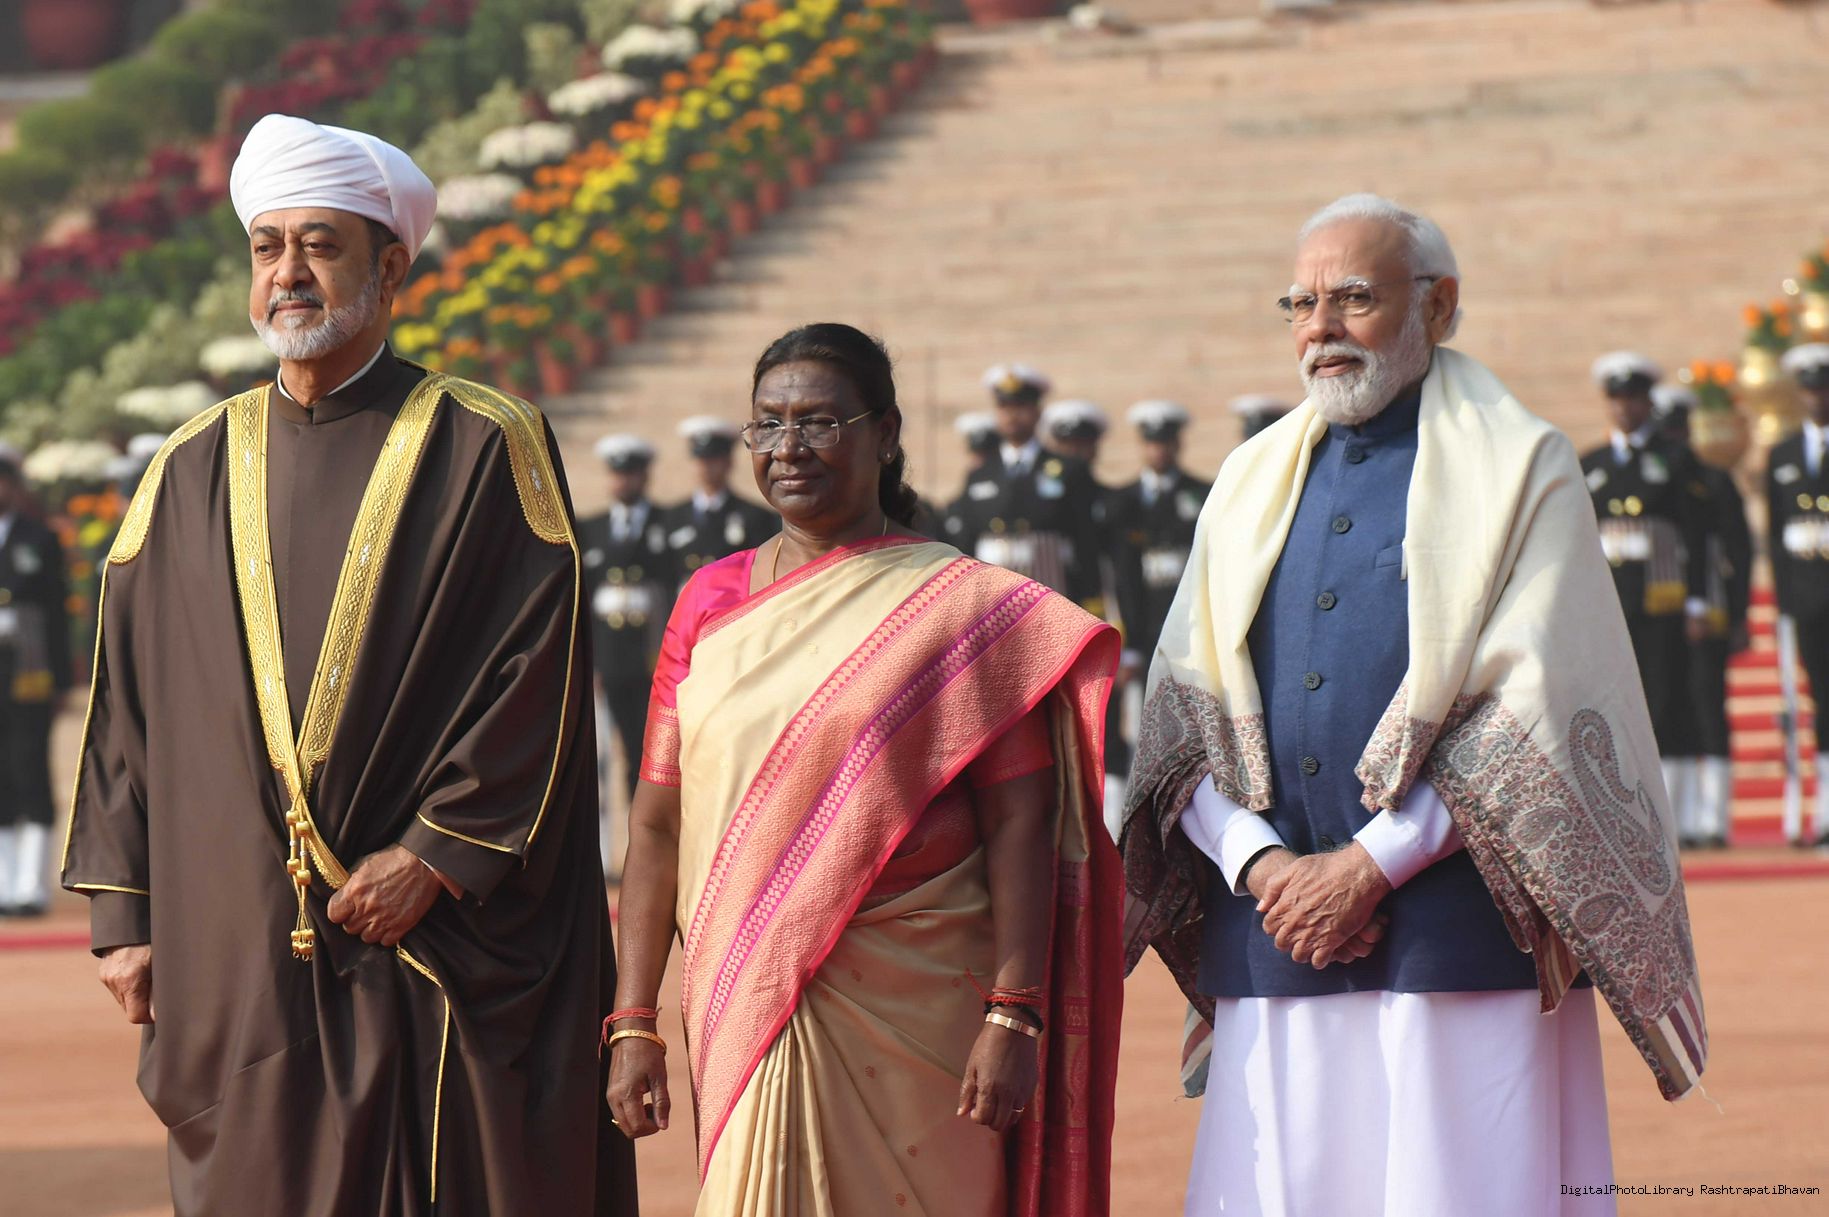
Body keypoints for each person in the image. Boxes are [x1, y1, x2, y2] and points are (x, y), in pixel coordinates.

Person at [60, 114, 636, 1216]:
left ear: (390, 267)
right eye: (266, 246)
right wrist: (124, 910)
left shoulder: (481, 441)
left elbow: (537, 673)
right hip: (234, 934)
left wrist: (435, 855)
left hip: (425, 932)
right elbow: (127, 701)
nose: (288, 272)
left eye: (319, 245)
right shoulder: (188, 468)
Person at [1120, 194, 1706, 1217]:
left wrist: (1366, 867)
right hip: (1277, 929)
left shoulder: (1521, 466)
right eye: (1299, 303)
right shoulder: (1247, 479)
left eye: (1353, 297)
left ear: (1436, 305)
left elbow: (1533, 708)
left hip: (1456, 931)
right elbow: (1185, 712)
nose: (1320, 328)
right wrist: (1262, 866)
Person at [607, 323, 1124, 1217]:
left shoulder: (958, 606)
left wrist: (1014, 1010)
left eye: (818, 421)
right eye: (767, 424)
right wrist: (633, 1020)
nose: (788, 447)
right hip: (749, 993)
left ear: (884, 433)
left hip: (927, 1005)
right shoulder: (708, 601)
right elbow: (656, 822)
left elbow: (1020, 821)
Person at [1581, 352, 1713, 845]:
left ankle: (1672, 813)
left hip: (1662, 599)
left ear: (1646, 404)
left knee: (1665, 698)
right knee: (1611, 706)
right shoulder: (1591, 464)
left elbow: (1696, 535)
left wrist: (1698, 601)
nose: (1624, 409)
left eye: (1633, 399)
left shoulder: (1674, 460)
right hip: (1609, 602)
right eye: (1616, 400)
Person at [1653, 384, 1751, 847]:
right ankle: (1678, 817)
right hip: (1660, 613)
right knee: (1668, 707)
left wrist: (1738, 614)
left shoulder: (1713, 480)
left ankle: (1713, 819)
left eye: (1678, 429)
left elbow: (1739, 551)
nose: (1673, 438)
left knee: (1708, 705)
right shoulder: (1654, 481)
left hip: (1708, 610)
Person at [578, 434, 676, 878]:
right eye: (618, 473)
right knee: (599, 761)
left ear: (644, 476)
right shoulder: (593, 528)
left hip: (650, 657)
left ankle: (645, 855)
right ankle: (602, 857)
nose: (623, 480)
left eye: (631, 472)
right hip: (606, 658)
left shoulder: (665, 523)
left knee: (644, 758)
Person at [950, 364, 1106, 615]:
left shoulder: (1067, 469)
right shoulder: (980, 474)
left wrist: (1091, 598)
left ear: (1037, 411)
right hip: (993, 599)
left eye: (1021, 406)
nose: (1012, 415)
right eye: (1004, 407)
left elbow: (1085, 537)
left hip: (1053, 591)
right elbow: (967, 540)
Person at [1107, 402, 1210, 757]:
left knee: (1195, 721)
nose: (1159, 451)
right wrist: (1129, 643)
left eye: (1165, 442)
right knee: (1144, 724)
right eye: (1152, 443)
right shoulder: (1122, 502)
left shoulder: (1201, 493)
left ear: (1177, 444)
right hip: (1143, 623)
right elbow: (1121, 576)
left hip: (1189, 621)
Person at [0, 454, 72, 918]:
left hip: (29, 669)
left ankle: (31, 883)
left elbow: (57, 612)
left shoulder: (39, 538)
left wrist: (62, 679)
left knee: (30, 766)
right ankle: (5, 881)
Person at [1767, 342, 1829, 845]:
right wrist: (1784, 600)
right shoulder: (1783, 455)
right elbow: (1775, 534)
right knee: (1819, 698)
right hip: (1807, 596)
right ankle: (1822, 810)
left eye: (1823, 389)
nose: (1816, 398)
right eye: (1809, 390)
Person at [664, 415, 777, 580]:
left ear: (728, 462)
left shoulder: (754, 516)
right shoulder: (673, 516)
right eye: (701, 460)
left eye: (713, 460)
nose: (706, 467)